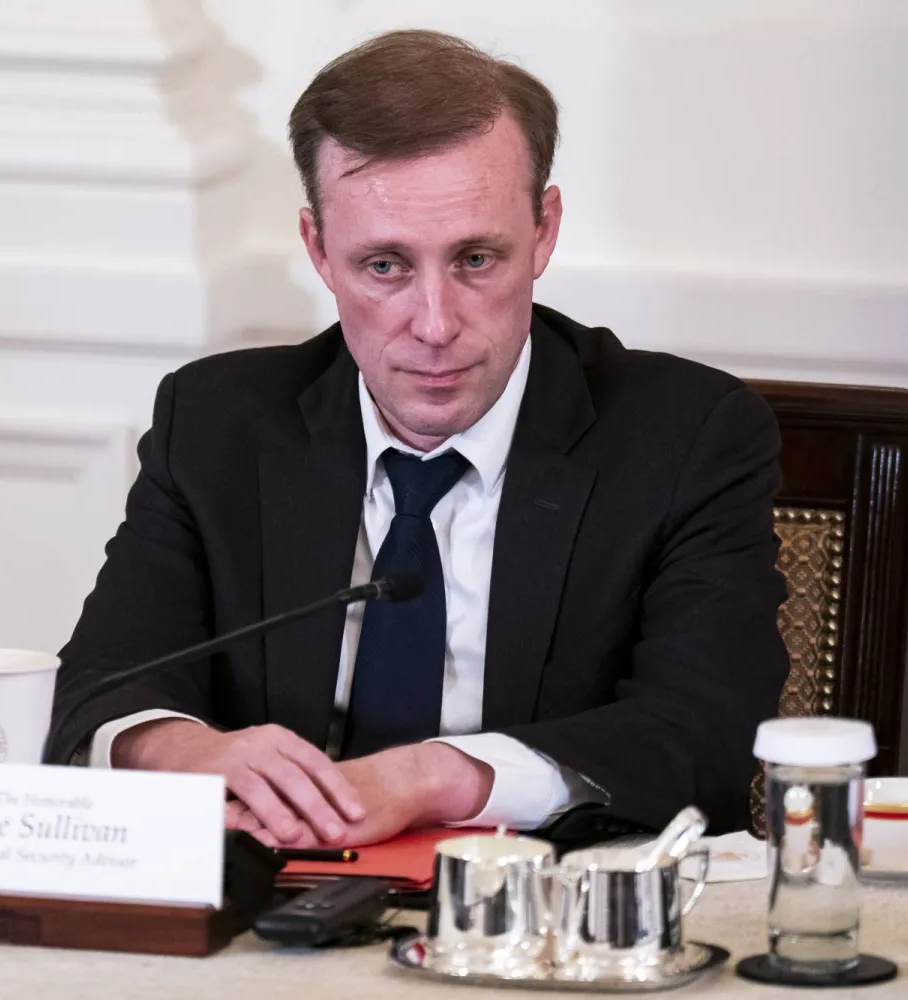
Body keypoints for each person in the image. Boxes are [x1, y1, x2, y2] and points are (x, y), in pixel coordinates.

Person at [43, 29, 789, 849]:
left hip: (534, 917)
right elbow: (99, 688)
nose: (435, 326)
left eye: (475, 258)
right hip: (275, 913)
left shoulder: (687, 438)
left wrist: (434, 776)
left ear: (543, 230)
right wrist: (187, 753)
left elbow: (704, 736)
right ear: (319, 249)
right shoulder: (217, 424)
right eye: (385, 267)